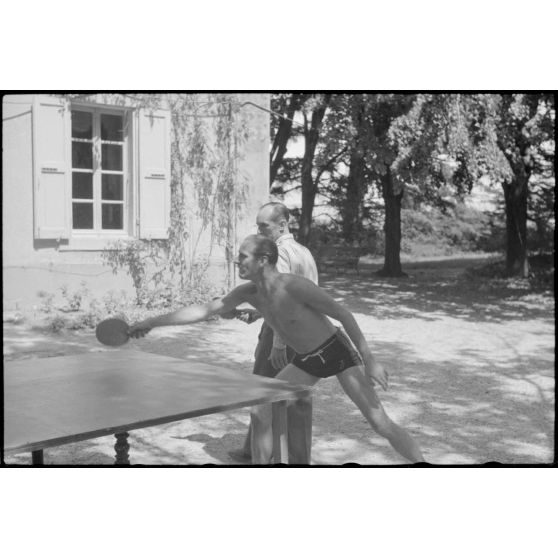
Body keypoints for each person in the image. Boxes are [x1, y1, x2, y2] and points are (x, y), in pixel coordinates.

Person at [129, 234, 424, 464]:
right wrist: (152, 322)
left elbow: (344, 315)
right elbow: (203, 311)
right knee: (261, 409)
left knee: (379, 423)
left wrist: (370, 360)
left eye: (243, 257)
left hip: (337, 351)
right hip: (307, 360)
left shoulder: (294, 286)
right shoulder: (248, 293)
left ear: (263, 259)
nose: (237, 261)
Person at [231, 202, 318, 462]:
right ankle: (296, 459)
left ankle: (260, 455)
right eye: (257, 225)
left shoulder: (279, 252)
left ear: (282, 224)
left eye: (263, 226)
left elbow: (282, 301)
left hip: (281, 333)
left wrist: (278, 343)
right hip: (304, 333)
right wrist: (258, 312)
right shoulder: (303, 251)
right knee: (298, 398)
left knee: (264, 393)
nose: (259, 231)